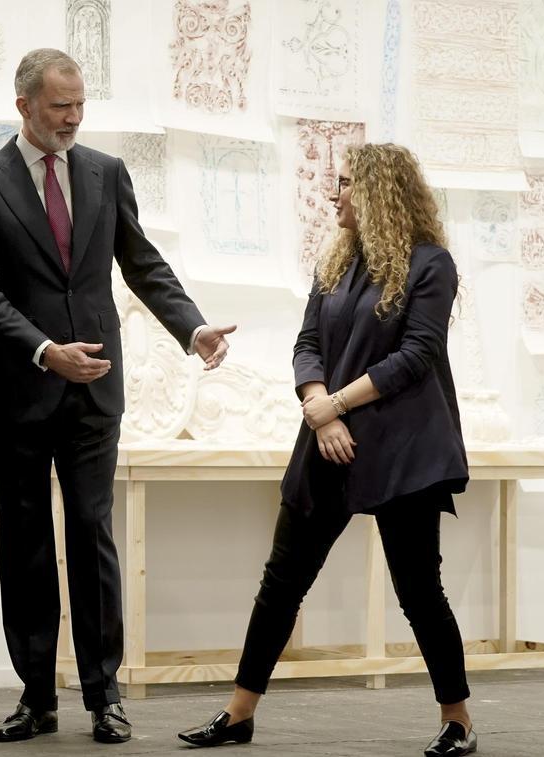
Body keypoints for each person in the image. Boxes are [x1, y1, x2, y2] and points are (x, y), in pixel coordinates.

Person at [0, 48, 235, 744]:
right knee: (25, 545)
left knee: (92, 534)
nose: (74, 117)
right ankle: (36, 696)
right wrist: (46, 350)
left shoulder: (106, 172)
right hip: (20, 390)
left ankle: (105, 696)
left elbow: (140, 261)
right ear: (24, 106)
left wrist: (191, 326)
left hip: (95, 389)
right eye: (60, 106)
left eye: (80, 105)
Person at [177, 143, 476, 757]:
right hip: (327, 439)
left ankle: (459, 720)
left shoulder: (430, 264)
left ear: (378, 192)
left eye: (344, 182)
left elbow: (416, 355)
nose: (332, 192)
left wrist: (335, 404)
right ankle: (239, 713)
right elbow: (307, 343)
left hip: (403, 449)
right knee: (281, 582)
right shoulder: (336, 261)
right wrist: (319, 407)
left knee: (420, 592)